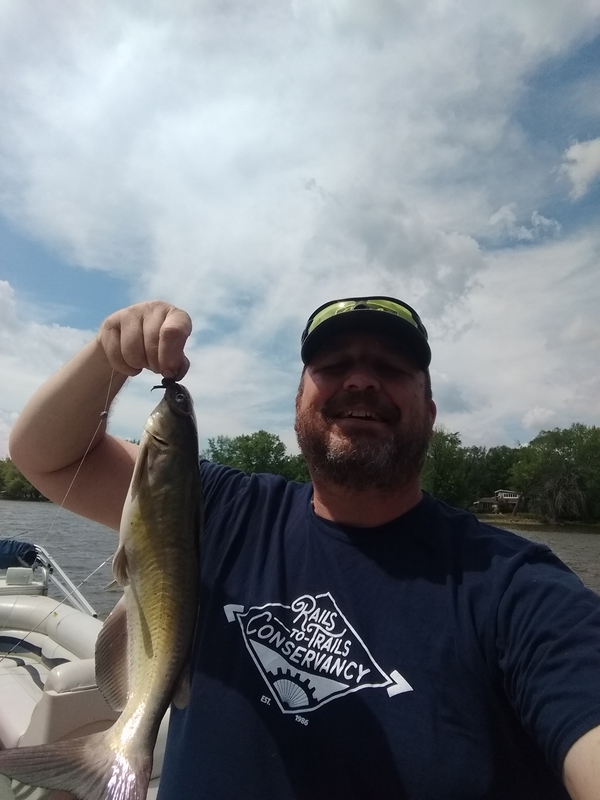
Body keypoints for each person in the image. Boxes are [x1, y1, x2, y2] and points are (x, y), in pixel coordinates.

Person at [8, 295, 600, 799]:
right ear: (297, 405)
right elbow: (47, 457)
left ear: (430, 412)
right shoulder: (217, 505)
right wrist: (107, 358)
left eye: (391, 367)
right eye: (333, 365)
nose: (361, 380)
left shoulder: (517, 588)